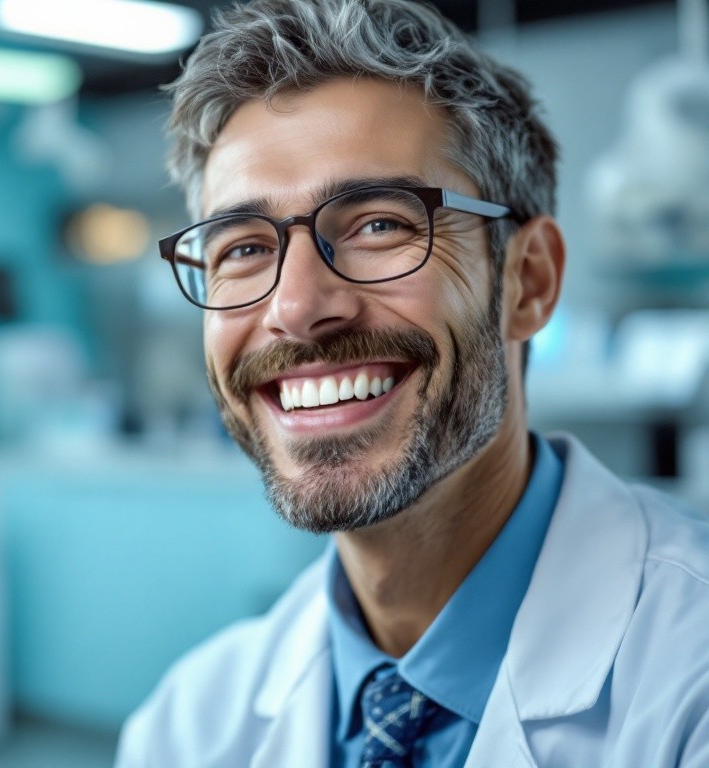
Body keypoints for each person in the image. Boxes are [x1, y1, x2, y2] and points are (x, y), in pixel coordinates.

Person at [114, 1, 709, 766]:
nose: (295, 308)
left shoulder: (688, 676)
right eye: (244, 249)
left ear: (528, 281)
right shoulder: (187, 726)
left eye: (379, 225)